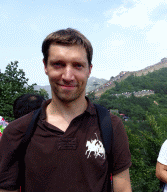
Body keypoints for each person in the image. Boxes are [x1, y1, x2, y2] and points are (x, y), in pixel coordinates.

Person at [0, 28, 132, 192]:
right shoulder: (17, 132)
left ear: (89, 69)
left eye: (78, 65)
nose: (68, 76)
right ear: (45, 66)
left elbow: (123, 188)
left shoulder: (110, 125)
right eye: (58, 64)